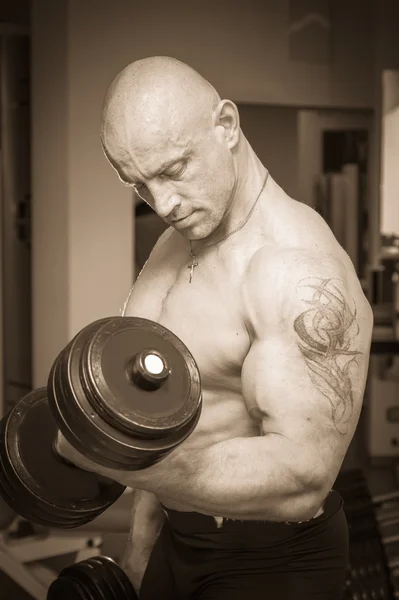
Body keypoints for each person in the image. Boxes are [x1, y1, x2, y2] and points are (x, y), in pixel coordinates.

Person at [57, 56, 374, 599]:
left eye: (174, 170)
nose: (163, 204)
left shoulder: (296, 269)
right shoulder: (175, 241)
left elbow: (302, 477)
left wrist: (121, 464)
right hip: (180, 540)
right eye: (140, 184)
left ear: (226, 125)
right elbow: (160, 415)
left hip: (273, 560)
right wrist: (139, 550)